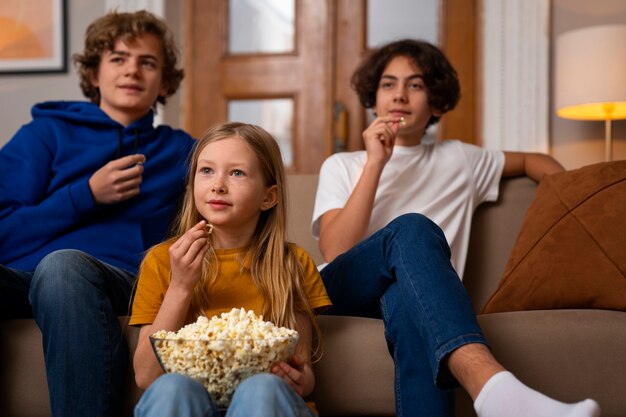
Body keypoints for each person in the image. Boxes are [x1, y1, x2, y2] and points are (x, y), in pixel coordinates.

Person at [312, 39, 600, 417]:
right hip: (340, 293)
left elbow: (535, 160)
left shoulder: (461, 159)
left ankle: (499, 398)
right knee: (412, 228)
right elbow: (335, 250)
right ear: (373, 97)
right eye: (388, 84)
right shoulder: (343, 164)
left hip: (418, 297)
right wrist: (376, 163)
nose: (399, 95)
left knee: (403, 297)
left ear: (435, 102)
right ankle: (494, 388)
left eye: (415, 85)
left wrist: (576, 209)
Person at [0, 10, 194, 417]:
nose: (132, 71)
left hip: (118, 280)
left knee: (63, 267)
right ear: (93, 74)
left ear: (165, 81)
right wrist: (84, 195)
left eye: (148, 62)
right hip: (23, 280)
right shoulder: (43, 136)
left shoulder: (183, 152)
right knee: (55, 269)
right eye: (118, 58)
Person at [130, 122, 331, 417]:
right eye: (206, 170)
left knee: (261, 389)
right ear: (191, 183)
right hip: (187, 404)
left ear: (269, 196)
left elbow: (303, 370)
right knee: (173, 388)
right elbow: (147, 376)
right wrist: (181, 286)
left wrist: (301, 379)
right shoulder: (162, 261)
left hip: (267, 404)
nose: (218, 185)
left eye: (236, 173)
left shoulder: (293, 264)